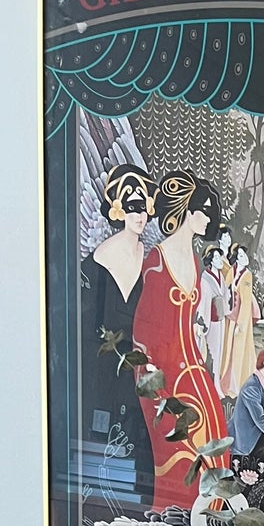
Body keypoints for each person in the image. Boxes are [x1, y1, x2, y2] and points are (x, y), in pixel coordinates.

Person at [132, 170, 234, 526]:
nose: (207, 217)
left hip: (196, 378)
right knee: (179, 482)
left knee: (213, 473)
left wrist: (207, 380)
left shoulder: (192, 256)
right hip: (169, 387)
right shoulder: (157, 261)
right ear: (184, 209)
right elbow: (144, 337)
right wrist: (155, 393)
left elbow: (194, 327)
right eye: (201, 209)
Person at [80, 164, 156, 499]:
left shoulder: (150, 259)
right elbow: (86, 329)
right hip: (101, 367)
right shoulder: (98, 261)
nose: (140, 215)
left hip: (138, 367)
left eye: (143, 208)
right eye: (132, 208)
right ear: (119, 211)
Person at [220, 245, 259, 400]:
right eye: (241, 256)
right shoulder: (232, 271)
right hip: (231, 316)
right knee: (228, 349)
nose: (244, 258)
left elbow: (247, 301)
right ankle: (225, 382)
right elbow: (225, 290)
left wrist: (241, 325)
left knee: (240, 350)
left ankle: (238, 384)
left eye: (245, 255)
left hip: (241, 319)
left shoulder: (247, 275)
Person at [196, 245, 229, 396]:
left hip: (220, 318)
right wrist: (202, 322)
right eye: (215, 258)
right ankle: (210, 385)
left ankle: (216, 384)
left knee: (220, 353)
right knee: (212, 353)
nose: (219, 260)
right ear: (210, 261)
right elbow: (203, 302)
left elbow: (226, 296)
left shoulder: (220, 276)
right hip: (211, 320)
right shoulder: (206, 278)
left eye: (219, 257)